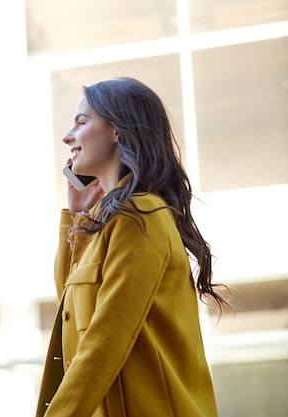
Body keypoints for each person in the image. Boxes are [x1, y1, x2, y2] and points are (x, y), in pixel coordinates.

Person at [36, 77, 230, 417]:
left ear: (116, 129)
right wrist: (79, 219)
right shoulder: (111, 222)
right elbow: (71, 316)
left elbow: (104, 342)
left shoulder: (141, 216)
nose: (68, 137)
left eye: (82, 123)